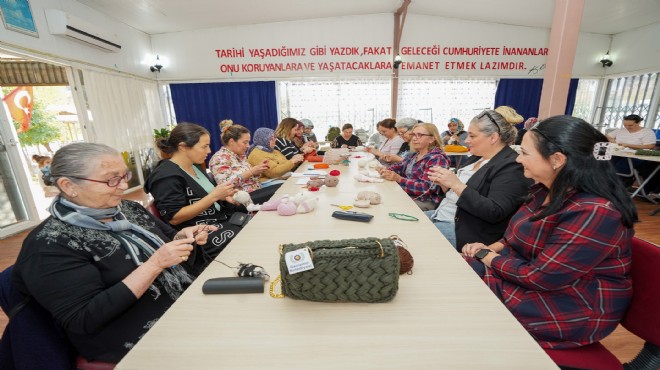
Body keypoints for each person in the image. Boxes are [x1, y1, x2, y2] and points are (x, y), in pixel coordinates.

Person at [13, 143, 216, 362]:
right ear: (68, 185)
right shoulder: (50, 244)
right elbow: (83, 318)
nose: (123, 185)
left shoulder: (127, 209)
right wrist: (154, 265)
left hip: (182, 305)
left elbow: (168, 240)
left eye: (124, 175)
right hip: (134, 335)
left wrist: (183, 238)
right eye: (111, 179)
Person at [462, 116, 635, 349]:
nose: (518, 159)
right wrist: (492, 248)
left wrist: (486, 256)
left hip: (569, 307)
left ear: (557, 159)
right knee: (458, 276)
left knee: (460, 296)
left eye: (524, 152)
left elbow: (540, 277)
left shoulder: (595, 211)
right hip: (539, 284)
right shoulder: (543, 191)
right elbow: (515, 238)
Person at [144, 123, 244, 273]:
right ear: (183, 146)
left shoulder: (195, 167)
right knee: (249, 236)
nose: (209, 151)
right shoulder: (166, 176)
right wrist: (213, 196)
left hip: (219, 221)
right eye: (204, 146)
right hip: (199, 236)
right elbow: (174, 217)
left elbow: (206, 197)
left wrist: (223, 198)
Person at [427, 110, 532, 249]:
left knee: (411, 238)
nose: (466, 140)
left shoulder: (512, 166)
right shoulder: (476, 157)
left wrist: (456, 185)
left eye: (472, 135)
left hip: (464, 230)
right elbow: (455, 193)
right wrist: (445, 184)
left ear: (493, 137)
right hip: (440, 214)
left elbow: (494, 211)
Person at [378, 123, 450, 211]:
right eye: (413, 135)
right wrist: (387, 170)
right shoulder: (414, 155)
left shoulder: (437, 159)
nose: (414, 138)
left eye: (420, 135)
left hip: (424, 201)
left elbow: (426, 188)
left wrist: (399, 179)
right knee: (381, 199)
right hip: (408, 194)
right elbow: (399, 166)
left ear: (431, 139)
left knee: (386, 207)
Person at [208, 121, 279, 204]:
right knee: (281, 188)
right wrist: (251, 172)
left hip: (255, 191)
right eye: (245, 142)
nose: (248, 145)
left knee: (283, 188)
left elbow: (249, 178)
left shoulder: (240, 156)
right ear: (232, 142)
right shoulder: (219, 158)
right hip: (242, 199)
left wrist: (258, 170)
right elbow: (225, 185)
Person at [606, 114, 656, 185]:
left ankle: (618, 185)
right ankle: (606, 184)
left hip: (638, 156)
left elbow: (650, 146)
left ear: (638, 123)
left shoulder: (647, 132)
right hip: (620, 154)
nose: (627, 127)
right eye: (625, 125)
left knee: (620, 166)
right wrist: (615, 141)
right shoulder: (621, 130)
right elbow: (607, 137)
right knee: (607, 163)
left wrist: (629, 145)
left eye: (630, 125)